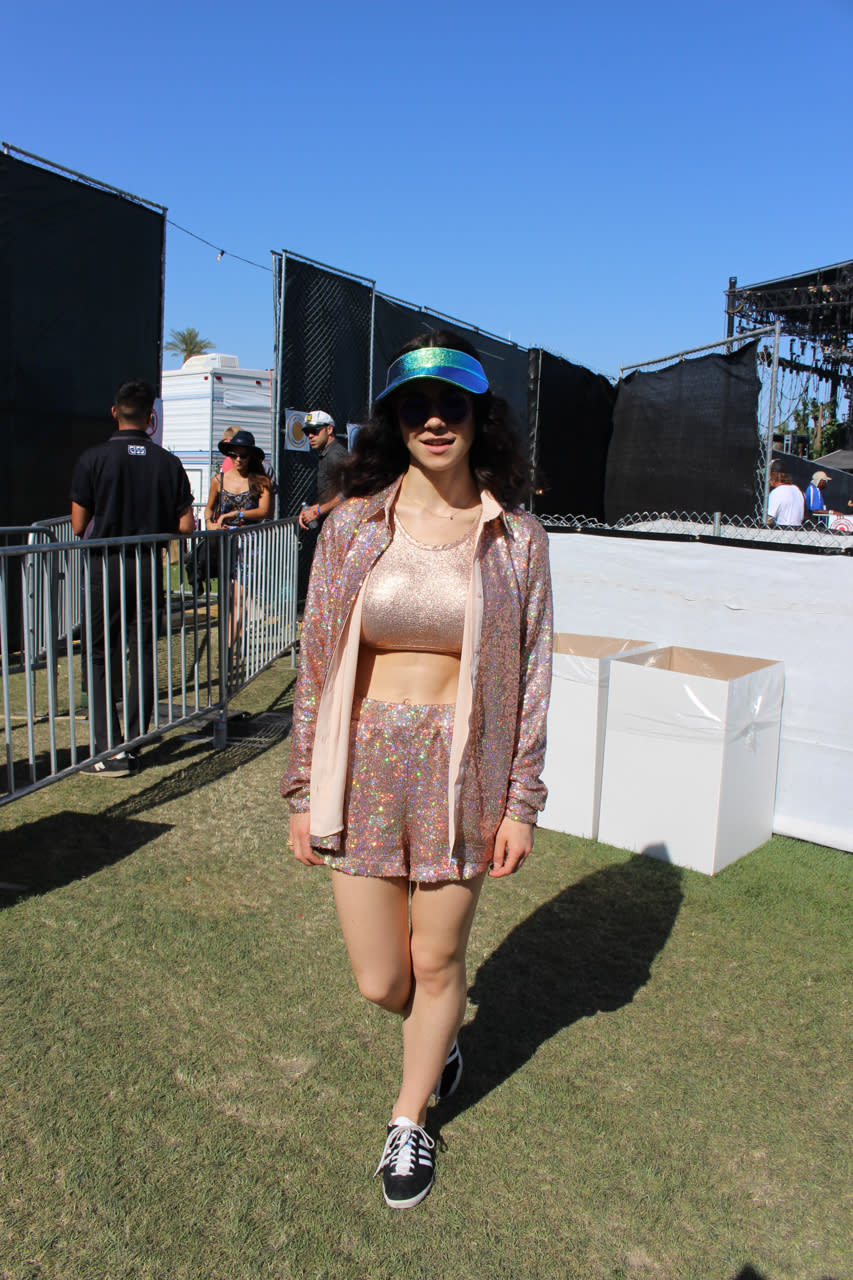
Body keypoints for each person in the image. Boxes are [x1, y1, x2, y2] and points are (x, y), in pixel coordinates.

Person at [281, 331, 553, 1209]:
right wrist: (298, 790)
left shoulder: (517, 539)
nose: (435, 421)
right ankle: (436, 1042)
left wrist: (521, 802)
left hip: (462, 775)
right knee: (380, 980)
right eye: (414, 406)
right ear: (393, 420)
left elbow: (535, 669)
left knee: (436, 961)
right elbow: (317, 663)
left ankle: (409, 1120)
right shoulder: (353, 523)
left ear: (481, 418)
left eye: (453, 406)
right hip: (361, 767)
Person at [70, 379, 194, 775]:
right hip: (146, 566)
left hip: (106, 565)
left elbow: (77, 524)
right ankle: (135, 740)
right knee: (141, 650)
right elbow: (187, 525)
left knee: (100, 652)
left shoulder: (92, 459)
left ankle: (109, 748)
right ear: (150, 418)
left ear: (114, 413)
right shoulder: (168, 462)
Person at [204, 429, 272, 642]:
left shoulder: (261, 481)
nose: (238, 459)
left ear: (251, 457)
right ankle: (234, 636)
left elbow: (264, 512)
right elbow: (208, 508)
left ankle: (229, 646)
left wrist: (237, 513)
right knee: (229, 596)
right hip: (224, 542)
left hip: (250, 543)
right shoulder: (219, 479)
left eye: (243, 455)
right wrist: (210, 523)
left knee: (239, 596)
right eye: (234, 455)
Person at [297, 410, 347, 530]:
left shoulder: (336, 455)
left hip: (343, 525)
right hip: (334, 523)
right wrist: (311, 510)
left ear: (329, 430)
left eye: (315, 431)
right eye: (307, 432)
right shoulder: (327, 453)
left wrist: (317, 512)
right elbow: (331, 495)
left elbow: (349, 491)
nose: (310, 436)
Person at [767, 463, 805, 528]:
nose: (768, 478)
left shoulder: (776, 492)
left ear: (777, 475)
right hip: (797, 531)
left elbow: (769, 519)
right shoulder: (798, 490)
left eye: (769, 474)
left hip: (781, 531)